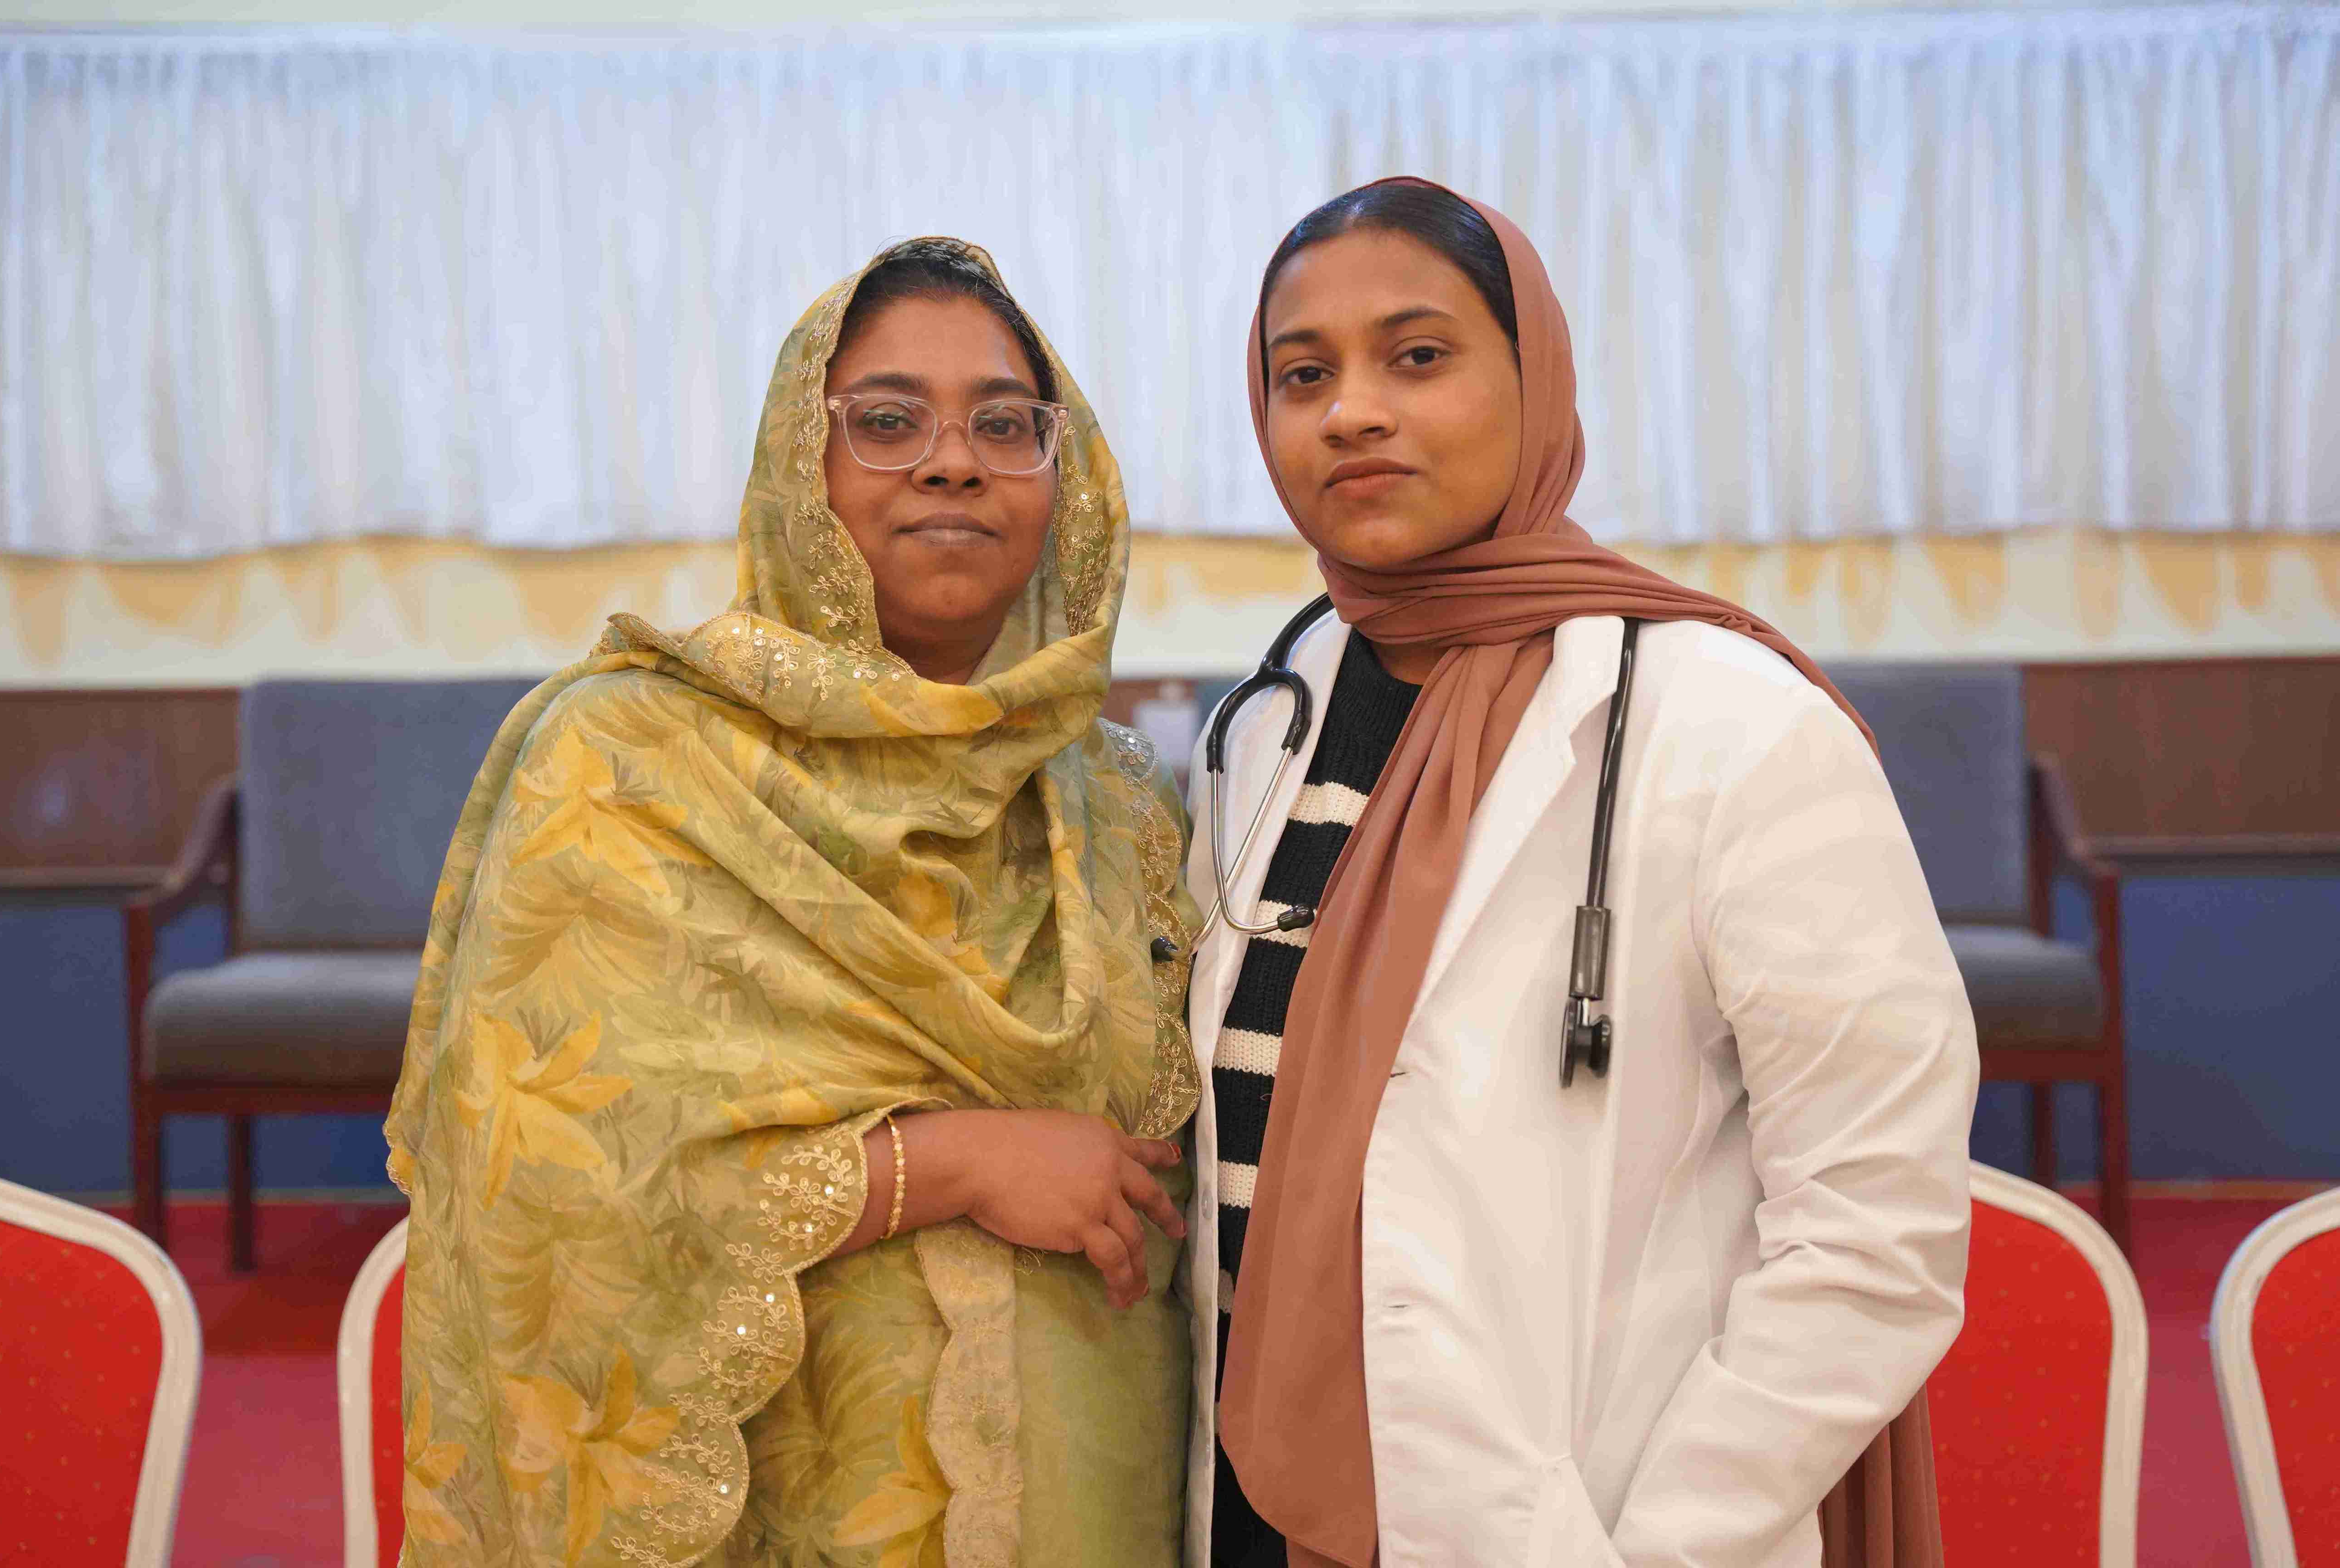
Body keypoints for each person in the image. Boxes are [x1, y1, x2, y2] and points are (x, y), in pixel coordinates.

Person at [1185, 178, 1978, 1568]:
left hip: (1587, 1525)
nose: (1352, 411)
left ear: (1534, 377)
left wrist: (1663, 1545)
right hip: (1252, 1504)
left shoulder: (1732, 725)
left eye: (1416, 356)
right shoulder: (1263, 728)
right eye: (1302, 375)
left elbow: (1878, 1223)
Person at [385, 237, 1201, 1566]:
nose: (953, 462)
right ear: (796, 468)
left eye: (1006, 425)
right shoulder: (633, 759)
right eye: (886, 422)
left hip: (1092, 1476)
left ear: (1070, 478)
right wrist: (953, 1163)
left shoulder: (1112, 798)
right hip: (780, 1504)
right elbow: (550, 1196)